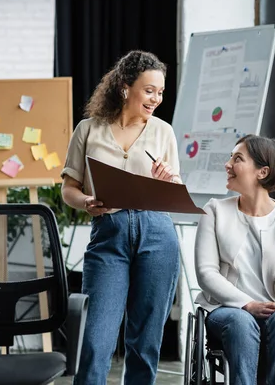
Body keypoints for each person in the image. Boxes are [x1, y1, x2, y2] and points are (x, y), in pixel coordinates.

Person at [60, 50, 181, 385]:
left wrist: (167, 180)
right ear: (126, 87)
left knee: (145, 342)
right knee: (96, 339)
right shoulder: (88, 129)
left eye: (160, 92)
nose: (156, 98)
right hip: (108, 236)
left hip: (157, 234)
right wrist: (86, 201)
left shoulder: (163, 132)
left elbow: (177, 191)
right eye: (149, 90)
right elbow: (69, 189)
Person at [194, 134, 275, 385]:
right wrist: (247, 303)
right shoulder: (214, 210)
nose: (228, 164)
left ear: (263, 172)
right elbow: (206, 274)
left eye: (237, 159)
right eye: (230, 157)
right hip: (227, 310)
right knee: (239, 320)